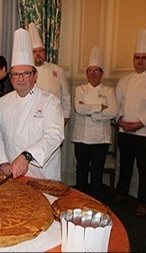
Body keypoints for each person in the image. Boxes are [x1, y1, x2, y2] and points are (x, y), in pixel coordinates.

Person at [0, 28, 64, 180]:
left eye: (26, 73)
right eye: (16, 74)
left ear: (35, 75)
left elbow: (54, 135)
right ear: (10, 77)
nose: (21, 79)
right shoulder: (3, 102)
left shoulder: (50, 102)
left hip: (43, 177)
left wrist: (27, 156)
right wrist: (3, 161)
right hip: (12, 177)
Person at [71, 47, 118, 201]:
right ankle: (79, 200)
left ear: (102, 73)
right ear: (86, 73)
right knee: (81, 170)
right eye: (90, 70)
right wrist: (99, 108)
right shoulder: (80, 89)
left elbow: (114, 112)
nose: (93, 73)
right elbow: (79, 108)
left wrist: (92, 114)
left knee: (97, 171)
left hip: (101, 139)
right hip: (81, 138)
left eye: (96, 70)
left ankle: (95, 201)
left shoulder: (109, 90)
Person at [111, 29, 146, 217]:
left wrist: (139, 124)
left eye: (143, 57)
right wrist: (120, 120)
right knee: (125, 164)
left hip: (143, 133)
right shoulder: (124, 81)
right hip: (124, 130)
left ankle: (142, 202)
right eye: (137, 57)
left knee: (143, 169)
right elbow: (116, 103)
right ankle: (122, 192)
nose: (140, 61)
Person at [29, 22, 71, 126]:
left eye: (41, 51)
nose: (38, 54)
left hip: (54, 117)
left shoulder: (57, 70)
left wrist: (65, 117)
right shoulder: (26, 72)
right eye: (34, 52)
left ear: (45, 53)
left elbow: (65, 96)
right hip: (32, 120)